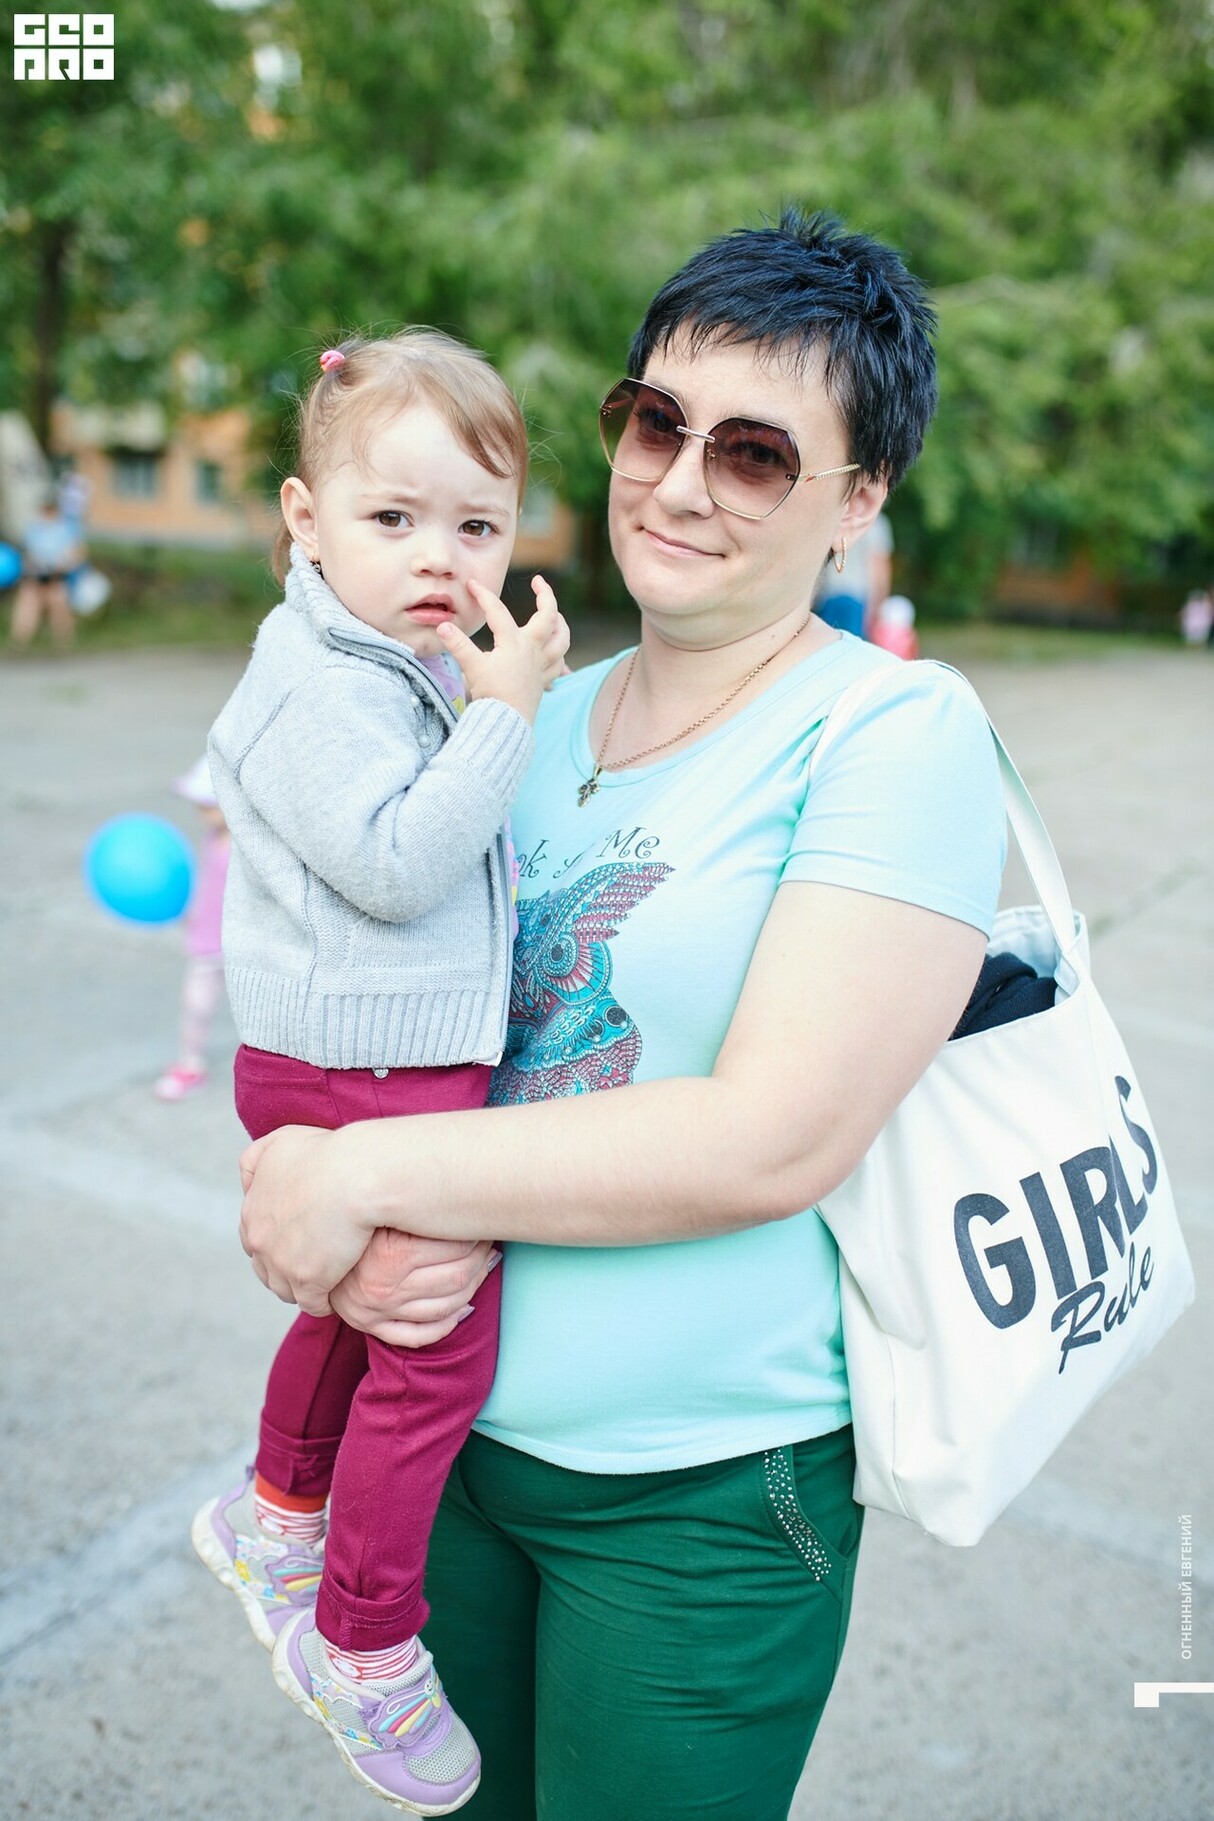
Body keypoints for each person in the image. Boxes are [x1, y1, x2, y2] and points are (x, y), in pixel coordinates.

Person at [236, 213, 1008, 1821]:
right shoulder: (521, 711)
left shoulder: (895, 732)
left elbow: (768, 1137)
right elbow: (366, 992)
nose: (677, 483)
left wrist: (354, 1179)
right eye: (656, 422)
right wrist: (313, 1176)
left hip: (694, 1504)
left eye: (754, 454)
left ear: (857, 500)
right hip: (437, 1453)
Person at [192, 329, 568, 1817]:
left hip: (372, 1050)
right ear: (303, 517)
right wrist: (507, 713)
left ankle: (277, 1509)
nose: (437, 558)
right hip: (356, 1063)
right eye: (392, 517)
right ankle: (359, 1637)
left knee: (364, 1320)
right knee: (435, 1347)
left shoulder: (379, 659)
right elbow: (401, 865)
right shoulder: (317, 683)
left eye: (476, 526)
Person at [152, 756, 231, 1101]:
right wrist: (192, 911)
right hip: (206, 940)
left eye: (209, 806)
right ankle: (190, 1063)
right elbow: (206, 882)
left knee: (257, 1013)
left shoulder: (246, 847)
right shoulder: (211, 838)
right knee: (196, 1006)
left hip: (239, 946)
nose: (203, 814)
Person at [9, 495, 82, 650]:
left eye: (50, 508)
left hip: (57, 577)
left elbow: (76, 554)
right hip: (35, 576)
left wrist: (62, 566)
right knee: (27, 603)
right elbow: (27, 554)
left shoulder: (67, 528)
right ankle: (19, 643)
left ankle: (64, 645)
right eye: (45, 508)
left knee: (59, 604)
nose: (47, 512)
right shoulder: (34, 528)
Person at [812, 504, 893, 638]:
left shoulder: (835, 518)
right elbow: (879, 566)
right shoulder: (876, 524)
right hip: (857, 595)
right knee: (851, 644)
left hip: (829, 592)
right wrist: (879, 603)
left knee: (825, 642)